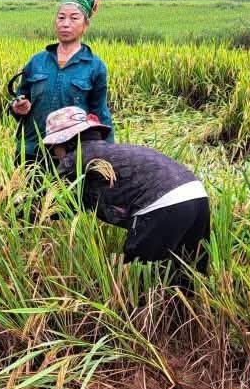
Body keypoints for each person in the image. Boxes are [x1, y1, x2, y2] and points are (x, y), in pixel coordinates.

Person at [42, 107, 210, 283]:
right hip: (196, 194)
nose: (54, 154)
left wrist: (21, 212)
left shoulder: (76, 157)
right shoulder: (111, 153)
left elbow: (50, 199)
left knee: (136, 279)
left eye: (53, 148)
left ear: (65, 142)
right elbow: (77, 201)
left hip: (162, 203)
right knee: (185, 272)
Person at [3, 0, 112, 163]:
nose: (65, 23)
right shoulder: (36, 62)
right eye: (61, 18)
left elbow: (100, 112)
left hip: (72, 154)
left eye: (74, 18)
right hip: (31, 150)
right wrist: (17, 107)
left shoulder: (95, 66)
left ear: (85, 25)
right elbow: (20, 99)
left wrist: (108, 154)